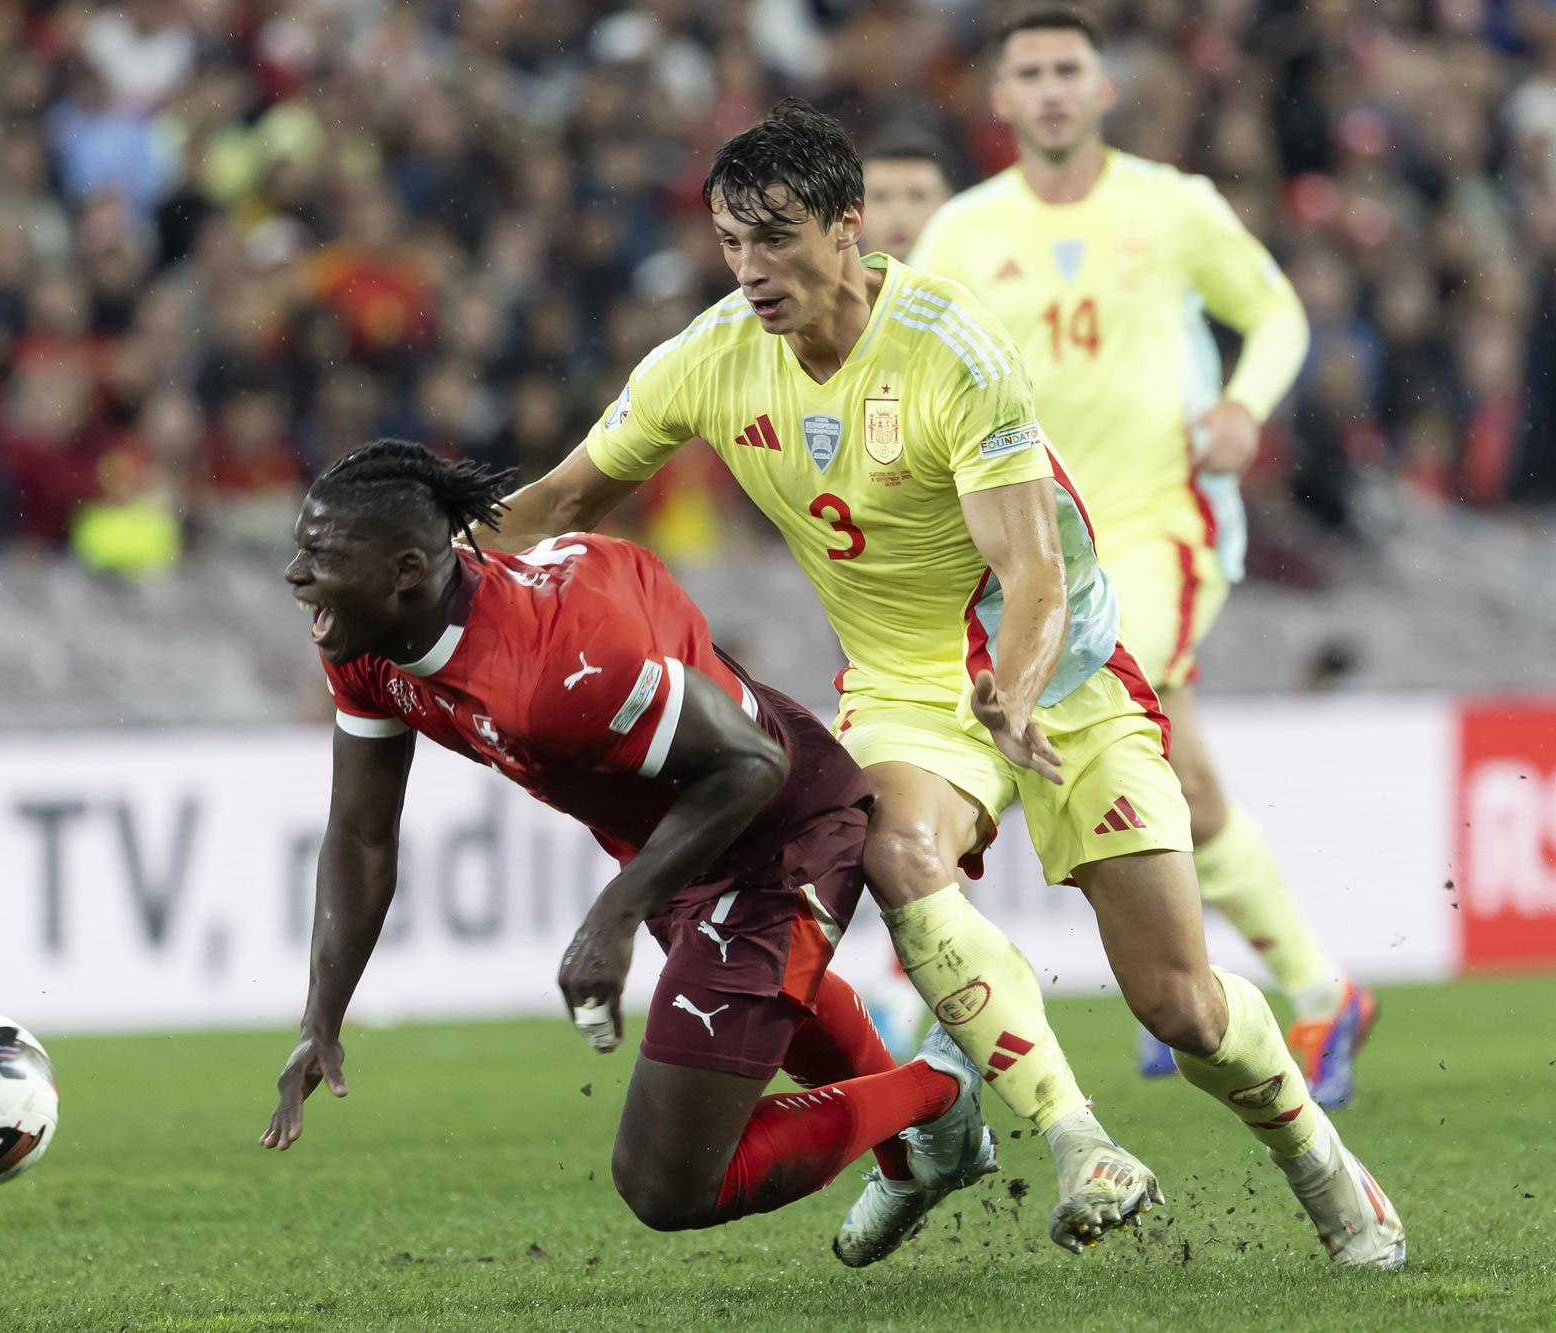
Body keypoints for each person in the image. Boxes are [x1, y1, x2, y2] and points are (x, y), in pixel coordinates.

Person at [493, 99, 1404, 1268]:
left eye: (774, 237)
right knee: (895, 849)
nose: (749, 269)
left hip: (1062, 673)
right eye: (730, 240)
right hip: (903, 691)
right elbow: (564, 500)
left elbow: (1030, 571)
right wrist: (432, 580)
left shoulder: (946, 343)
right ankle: (1073, 1138)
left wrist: (1014, 691)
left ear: (848, 229)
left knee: (1177, 1005)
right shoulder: (706, 360)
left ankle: (1317, 1162)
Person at [261, 438, 997, 1244]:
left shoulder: (549, 673)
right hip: (685, 836)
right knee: (777, 1015)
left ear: (406, 571)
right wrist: (320, 1017)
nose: (295, 576)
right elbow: (362, 836)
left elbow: (752, 763)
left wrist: (612, 916)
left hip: (775, 830)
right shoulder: (368, 644)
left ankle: (940, 1089)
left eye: (319, 556)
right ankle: (910, 1156)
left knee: (666, 1180)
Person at [908, 7, 1374, 1106]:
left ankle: (962, 1025)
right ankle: (1309, 985)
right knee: (1182, 775)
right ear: (1001, 99)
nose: (1053, 88)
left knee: (1079, 704)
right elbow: (909, 359)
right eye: (1030, 72)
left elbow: (1273, 315)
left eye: (1070, 68)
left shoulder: (1170, 207)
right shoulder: (964, 233)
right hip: (1032, 544)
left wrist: (1243, 409)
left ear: (1102, 88)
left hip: (1161, 526)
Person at [861, 135, 952, 263]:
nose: (899, 212)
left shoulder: (977, 281)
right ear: (852, 212)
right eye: (880, 197)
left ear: (948, 205)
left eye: (917, 196)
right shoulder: (827, 282)